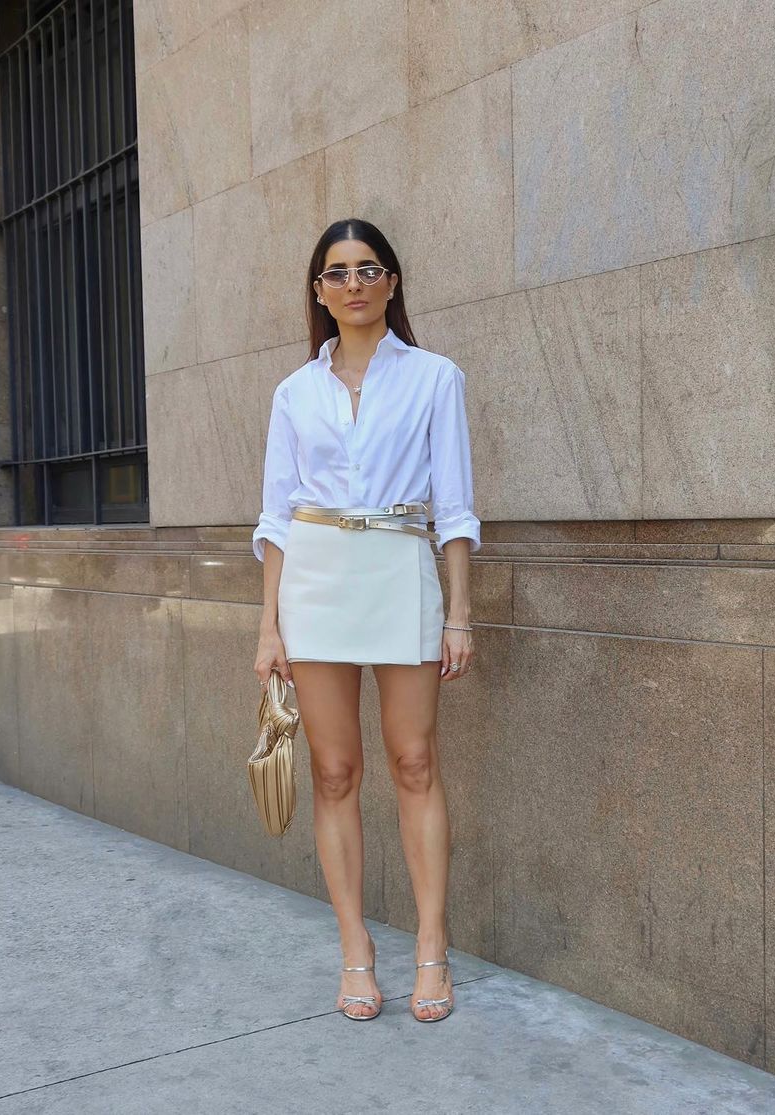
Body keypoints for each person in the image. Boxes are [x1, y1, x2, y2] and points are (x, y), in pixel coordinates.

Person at [252, 219, 481, 1023]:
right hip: (314, 581)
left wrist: (460, 613)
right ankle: (355, 949)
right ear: (319, 291)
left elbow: (456, 507)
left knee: (414, 760)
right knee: (335, 771)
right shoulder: (293, 393)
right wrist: (269, 626)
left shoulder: (435, 378)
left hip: (399, 567)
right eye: (338, 272)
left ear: (392, 282)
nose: (354, 283)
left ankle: (431, 946)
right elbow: (276, 518)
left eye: (368, 268)